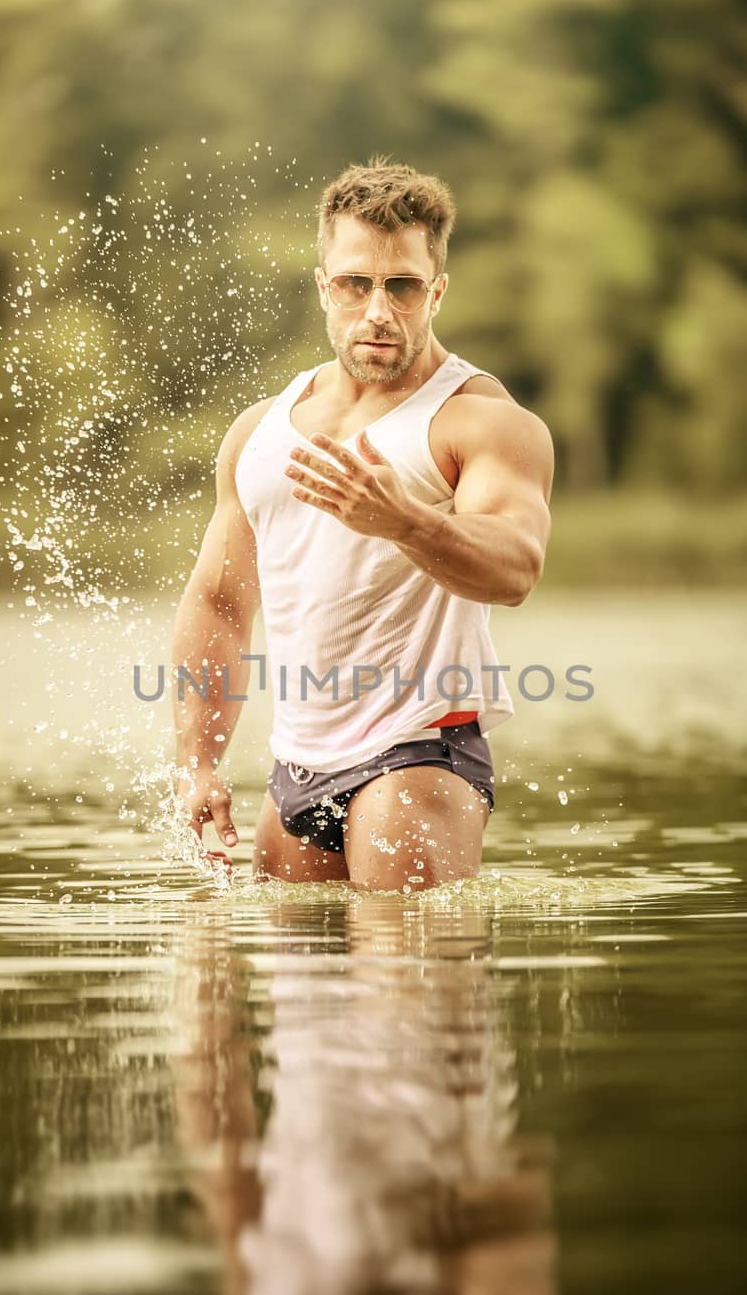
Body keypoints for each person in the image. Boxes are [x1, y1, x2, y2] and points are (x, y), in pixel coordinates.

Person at [170, 155, 553, 890]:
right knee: (301, 1000)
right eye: (356, 284)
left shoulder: (480, 421)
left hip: (417, 756)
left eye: (401, 286)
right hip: (295, 772)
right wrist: (198, 767)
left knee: (402, 992)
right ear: (324, 286)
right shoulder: (259, 431)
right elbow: (218, 603)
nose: (378, 309)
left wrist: (405, 521)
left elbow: (515, 569)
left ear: (435, 291)